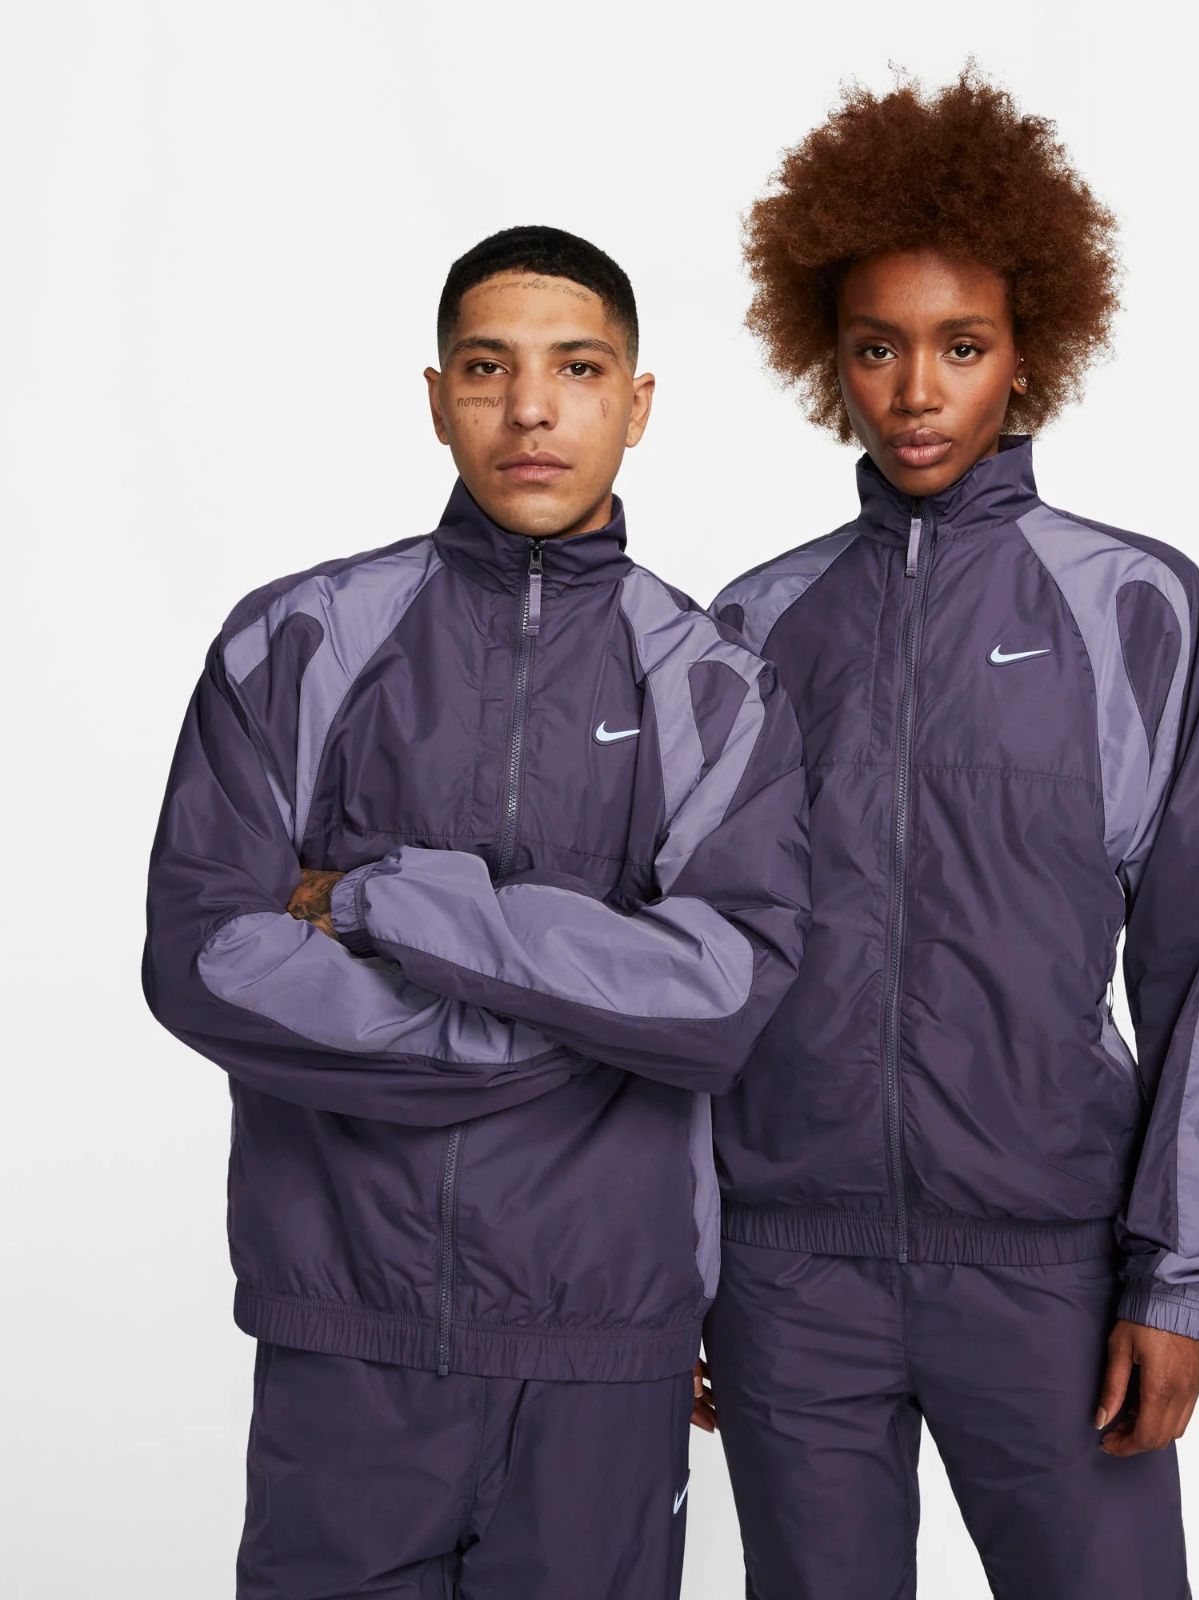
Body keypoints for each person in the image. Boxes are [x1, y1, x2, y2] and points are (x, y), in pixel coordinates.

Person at [141, 224, 811, 1599]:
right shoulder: (300, 639)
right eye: (489, 368)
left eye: (579, 368)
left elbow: (722, 995)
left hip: (603, 1344)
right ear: (439, 397)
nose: (531, 410)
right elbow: (204, 951)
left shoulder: (715, 685)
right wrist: (571, 1022)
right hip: (347, 1329)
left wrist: (387, 901)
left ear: (637, 402)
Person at [694, 70, 1199, 1598]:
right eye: (876, 347)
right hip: (788, 1271)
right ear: (828, 358)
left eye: (961, 346)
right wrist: (673, 1259)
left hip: (1049, 1268)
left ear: (1029, 354)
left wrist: (1180, 1280)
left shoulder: (1134, 607)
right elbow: (696, 973)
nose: (915, 391)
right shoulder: (752, 627)